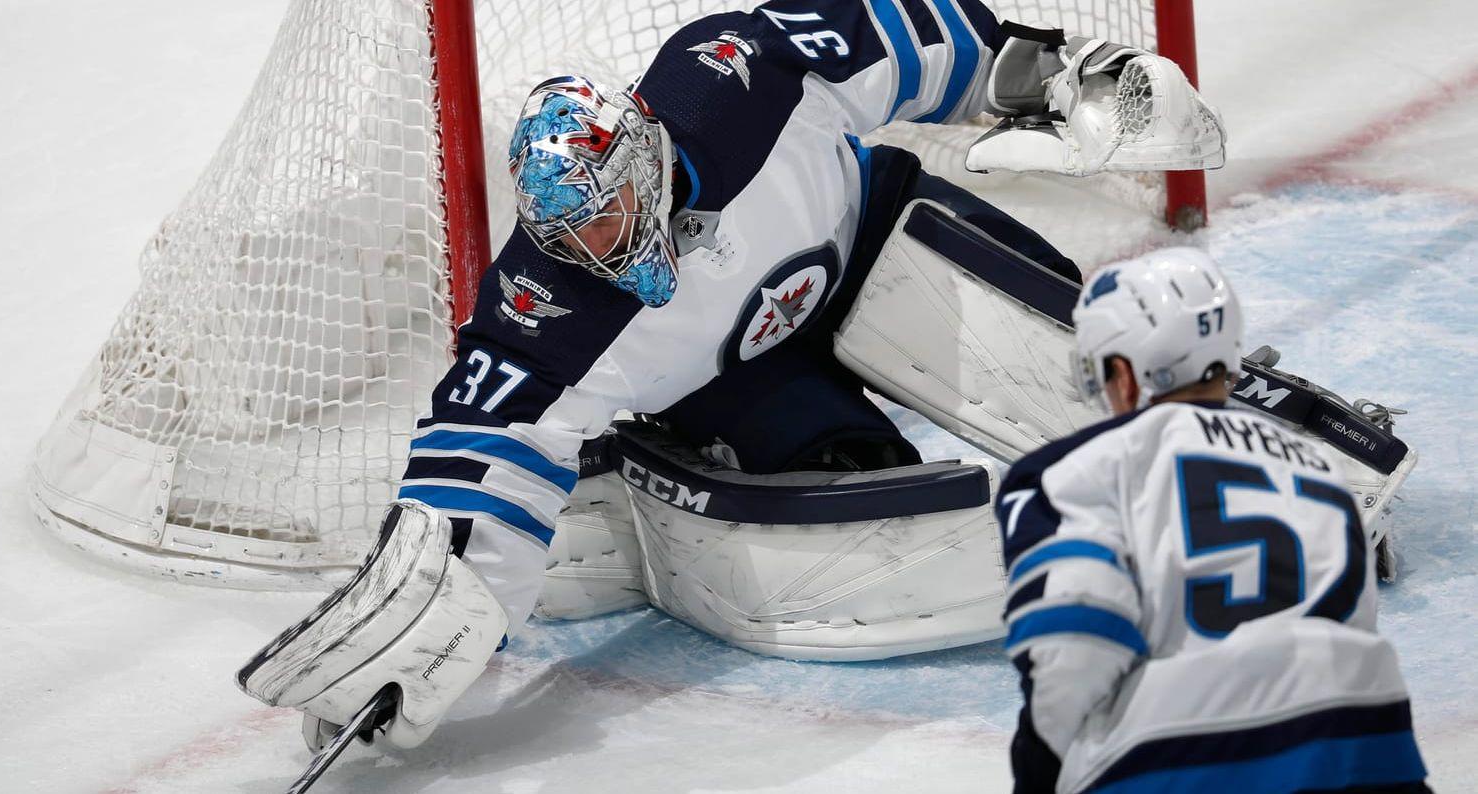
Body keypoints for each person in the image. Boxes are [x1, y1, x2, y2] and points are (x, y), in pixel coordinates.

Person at [231, 0, 1247, 755]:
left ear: (642, 157)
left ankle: (1233, 456)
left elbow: (901, 32)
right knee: (864, 487)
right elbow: (474, 465)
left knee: (1065, 343)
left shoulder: (733, 77)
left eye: (607, 212)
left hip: (870, 241)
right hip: (733, 380)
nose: (598, 244)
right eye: (571, 231)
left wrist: (1054, 73)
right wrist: (431, 615)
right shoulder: (541, 307)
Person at [996, 248, 1429, 793]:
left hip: (1186, 761)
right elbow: (1350, 623)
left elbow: (1076, 643)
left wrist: (1036, 775)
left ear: (1126, 375)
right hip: (1368, 756)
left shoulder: (1068, 472)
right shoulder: (1323, 472)